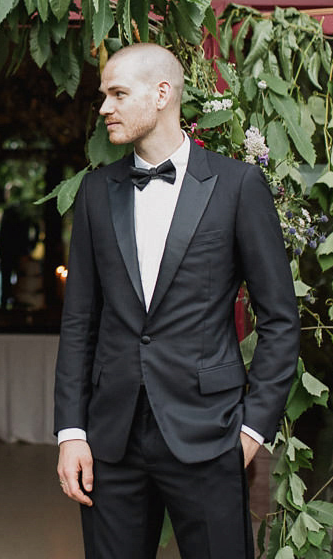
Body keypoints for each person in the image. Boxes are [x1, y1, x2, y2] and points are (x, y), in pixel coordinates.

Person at [54, 43, 300, 559]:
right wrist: (71, 433)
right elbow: (80, 320)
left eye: (118, 94)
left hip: (210, 433)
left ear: (162, 93)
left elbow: (279, 318)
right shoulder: (96, 192)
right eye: (104, 95)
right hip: (111, 441)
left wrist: (254, 427)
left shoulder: (237, 186)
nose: (104, 108)